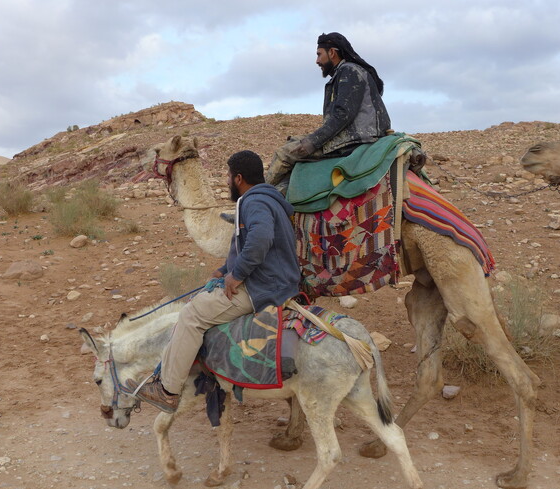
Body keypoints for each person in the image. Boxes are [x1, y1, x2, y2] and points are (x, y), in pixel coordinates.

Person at [129, 150, 301, 412]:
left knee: (191, 315)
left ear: (239, 178)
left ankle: (168, 390)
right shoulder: (269, 199)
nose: (226, 181)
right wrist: (224, 270)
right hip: (273, 280)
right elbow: (253, 245)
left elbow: (261, 238)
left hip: (262, 287)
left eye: (228, 176)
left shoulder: (253, 202)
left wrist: (237, 275)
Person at [265, 32, 392, 194]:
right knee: (294, 150)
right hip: (357, 136)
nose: (317, 61)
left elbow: (342, 115)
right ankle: (274, 200)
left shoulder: (349, 72)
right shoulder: (345, 73)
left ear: (332, 52)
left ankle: (252, 201)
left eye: (319, 54)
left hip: (358, 139)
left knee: (284, 154)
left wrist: (313, 142)